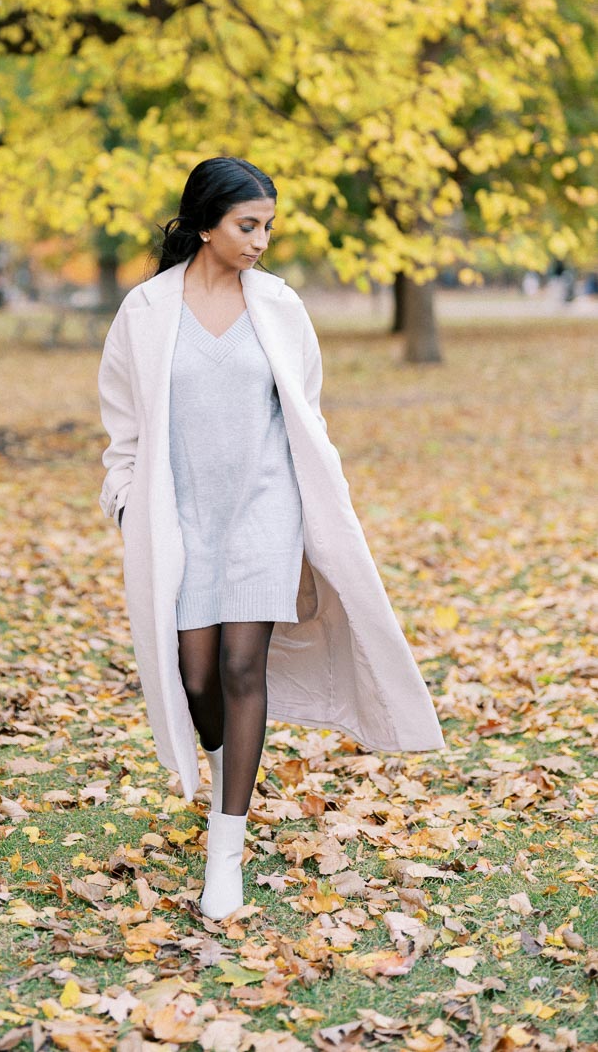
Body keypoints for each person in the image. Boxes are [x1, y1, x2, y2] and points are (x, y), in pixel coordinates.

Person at [97, 157, 444, 921]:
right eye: (247, 226)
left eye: (267, 227)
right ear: (203, 225)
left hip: (265, 511)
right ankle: (224, 766)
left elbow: (306, 415)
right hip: (181, 520)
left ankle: (228, 849)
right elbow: (121, 430)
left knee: (242, 664)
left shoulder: (279, 306)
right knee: (196, 679)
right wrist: (126, 506)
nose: (259, 241)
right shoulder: (147, 312)